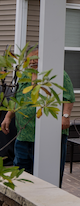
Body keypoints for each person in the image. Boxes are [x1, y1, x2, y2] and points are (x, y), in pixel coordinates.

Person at [0, 52, 75, 187]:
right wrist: (8, 116)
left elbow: (68, 97)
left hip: (49, 135)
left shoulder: (58, 74)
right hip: (24, 135)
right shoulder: (24, 76)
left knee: (49, 173)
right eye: (30, 60)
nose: (33, 62)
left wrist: (65, 117)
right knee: (21, 172)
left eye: (36, 59)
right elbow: (17, 99)